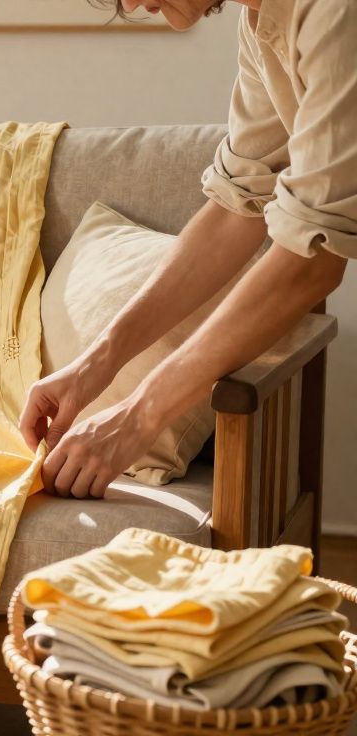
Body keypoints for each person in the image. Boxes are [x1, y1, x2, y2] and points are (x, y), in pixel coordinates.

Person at [18, 0, 355, 498]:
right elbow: (236, 209)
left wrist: (139, 415)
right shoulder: (261, 24)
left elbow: (311, 262)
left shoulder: (333, 12)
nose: (132, 4)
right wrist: (95, 364)